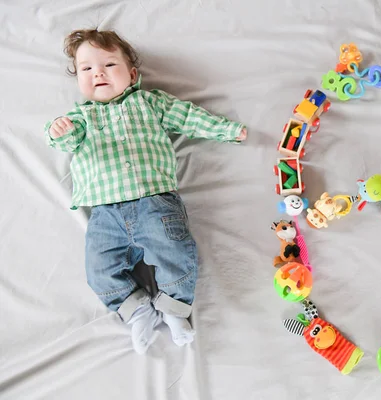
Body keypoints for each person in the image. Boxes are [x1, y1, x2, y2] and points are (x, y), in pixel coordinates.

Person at [45, 29, 247, 353]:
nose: (97, 72)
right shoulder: (80, 117)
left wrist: (227, 130)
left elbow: (189, 117)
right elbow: (64, 140)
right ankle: (136, 310)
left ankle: (173, 308)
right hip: (104, 213)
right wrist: (61, 131)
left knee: (176, 255)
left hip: (155, 201)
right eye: (86, 68)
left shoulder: (150, 103)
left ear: (133, 74)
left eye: (109, 64)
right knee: (98, 270)